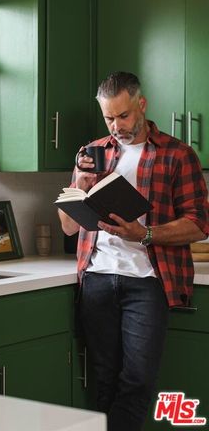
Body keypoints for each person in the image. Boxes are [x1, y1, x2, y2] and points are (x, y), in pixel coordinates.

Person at [58, 71, 209, 431]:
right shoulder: (91, 153)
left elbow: (199, 223)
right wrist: (78, 185)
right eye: (109, 117)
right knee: (105, 381)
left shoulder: (177, 155)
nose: (116, 126)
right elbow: (67, 226)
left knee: (138, 380)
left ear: (141, 105)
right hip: (96, 279)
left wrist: (146, 233)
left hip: (147, 282)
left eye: (123, 116)